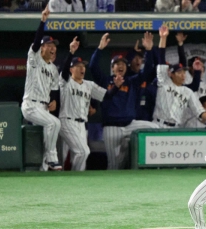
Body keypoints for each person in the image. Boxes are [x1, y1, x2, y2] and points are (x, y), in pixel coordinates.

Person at [90, 32, 159, 170]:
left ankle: (148, 163)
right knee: (114, 164)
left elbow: (147, 71)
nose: (120, 65)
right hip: (111, 127)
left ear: (126, 68)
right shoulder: (105, 81)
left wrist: (149, 50)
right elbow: (93, 67)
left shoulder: (131, 81)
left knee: (155, 128)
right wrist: (99, 49)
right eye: (116, 63)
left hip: (130, 124)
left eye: (123, 64)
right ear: (112, 67)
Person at [58, 37, 123, 171]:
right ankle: (70, 178)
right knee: (80, 152)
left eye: (83, 66)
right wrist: (71, 52)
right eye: (78, 66)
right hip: (67, 121)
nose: (82, 68)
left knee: (81, 155)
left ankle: (77, 181)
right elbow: (64, 71)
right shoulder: (66, 81)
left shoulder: (89, 85)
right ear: (71, 69)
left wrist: (116, 87)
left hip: (82, 124)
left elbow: (107, 96)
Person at [21, 6, 62, 171]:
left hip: (43, 106)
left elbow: (54, 90)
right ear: (42, 48)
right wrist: (42, 21)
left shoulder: (53, 68)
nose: (53, 48)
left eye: (55, 46)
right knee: (54, 123)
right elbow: (36, 41)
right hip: (30, 104)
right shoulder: (34, 59)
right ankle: (52, 159)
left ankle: (44, 167)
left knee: (50, 127)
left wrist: (53, 101)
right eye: (50, 45)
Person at [153, 25, 206, 128]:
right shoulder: (164, 81)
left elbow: (199, 111)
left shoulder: (187, 91)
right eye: (179, 72)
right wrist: (163, 38)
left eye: (184, 72)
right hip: (158, 125)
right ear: (171, 74)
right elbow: (161, 59)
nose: (183, 75)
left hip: (176, 128)